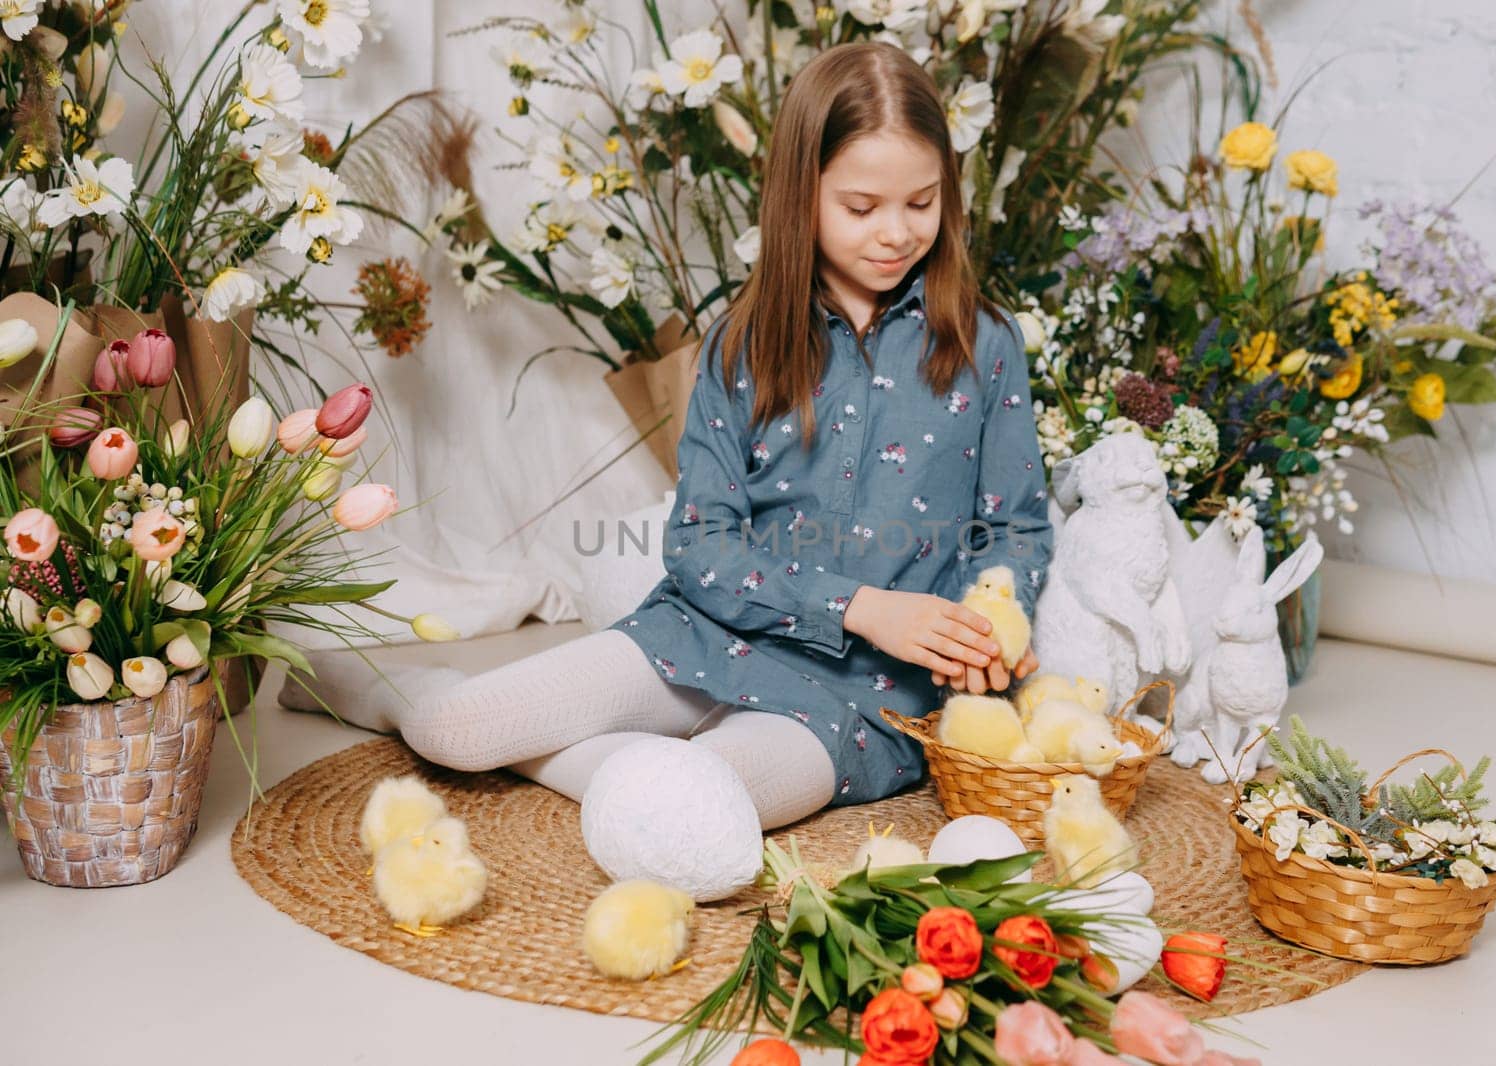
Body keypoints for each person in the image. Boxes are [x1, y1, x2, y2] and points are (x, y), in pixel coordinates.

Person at [281, 41, 1053, 830]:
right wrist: (861, 606)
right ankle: (381, 691)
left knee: (684, 807)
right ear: (800, 196)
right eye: (862, 207)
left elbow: (1015, 528)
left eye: (921, 203)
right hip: (705, 636)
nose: (895, 232)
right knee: (456, 730)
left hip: (867, 696)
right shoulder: (740, 344)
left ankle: (639, 769)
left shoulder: (984, 344)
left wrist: (994, 622)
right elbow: (700, 547)